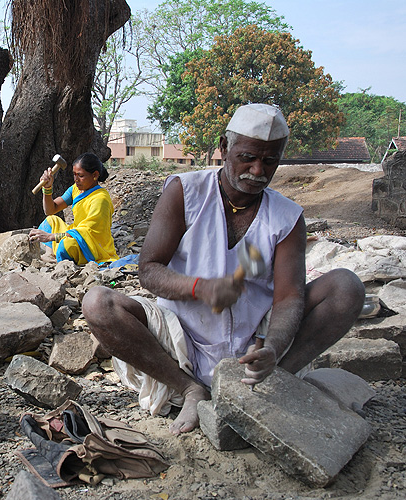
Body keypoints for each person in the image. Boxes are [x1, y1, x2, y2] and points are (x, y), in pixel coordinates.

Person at [82, 104, 364, 436]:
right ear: (224, 147)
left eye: (270, 161)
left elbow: (289, 298)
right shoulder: (184, 191)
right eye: (247, 157)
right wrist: (200, 287)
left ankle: (272, 381)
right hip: (181, 339)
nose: (258, 170)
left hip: (254, 339)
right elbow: (148, 270)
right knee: (97, 303)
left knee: (347, 286)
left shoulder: (286, 217)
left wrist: (272, 347)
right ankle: (189, 388)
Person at [29, 152, 118, 265]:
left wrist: (51, 237)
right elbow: (50, 210)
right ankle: (50, 255)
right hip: (75, 233)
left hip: (92, 243)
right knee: (51, 220)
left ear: (95, 175)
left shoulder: (101, 199)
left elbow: (89, 231)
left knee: (67, 245)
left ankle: (61, 259)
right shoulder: (75, 189)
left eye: (80, 176)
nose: (76, 179)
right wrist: (47, 189)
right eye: (74, 174)